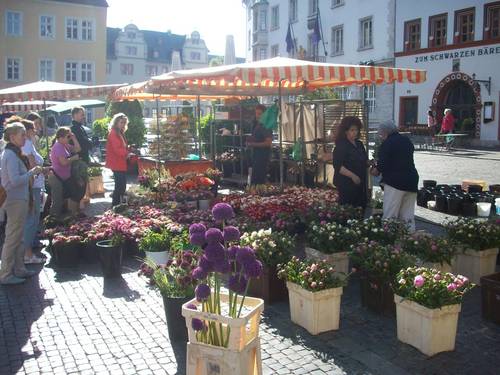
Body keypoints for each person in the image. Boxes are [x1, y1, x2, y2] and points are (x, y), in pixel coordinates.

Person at [0, 122, 44, 285]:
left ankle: (19, 269)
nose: (25, 138)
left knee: (17, 237)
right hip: (15, 200)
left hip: (18, 198)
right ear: (12, 137)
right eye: (22, 135)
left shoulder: (12, 153)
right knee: (13, 237)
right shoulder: (10, 155)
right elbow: (15, 180)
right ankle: (5, 274)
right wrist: (32, 172)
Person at [370, 121, 419, 231]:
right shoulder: (406, 140)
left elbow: (381, 167)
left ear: (385, 132)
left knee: (390, 214)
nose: (380, 136)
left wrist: (373, 170)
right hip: (411, 180)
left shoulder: (387, 144)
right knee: (408, 216)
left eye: (380, 134)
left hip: (395, 183)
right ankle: (409, 239)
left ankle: (388, 239)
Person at [320, 116, 369, 208]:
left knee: (361, 205)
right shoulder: (341, 145)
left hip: (360, 181)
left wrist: (370, 163)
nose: (355, 132)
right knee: (348, 207)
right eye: (352, 130)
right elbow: (338, 166)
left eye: (356, 130)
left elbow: (364, 159)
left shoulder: (359, 144)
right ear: (346, 131)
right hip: (346, 182)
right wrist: (353, 176)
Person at [20, 120, 46, 264]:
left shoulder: (28, 143)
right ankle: (27, 254)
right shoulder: (27, 144)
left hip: (34, 184)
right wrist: (43, 170)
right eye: (34, 128)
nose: (37, 130)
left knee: (32, 219)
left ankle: (26, 252)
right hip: (32, 186)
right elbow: (32, 166)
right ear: (28, 130)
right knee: (31, 219)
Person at [48, 127, 81, 217]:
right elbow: (63, 162)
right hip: (56, 177)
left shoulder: (64, 145)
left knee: (67, 197)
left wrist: (73, 138)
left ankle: (66, 218)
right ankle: (52, 222)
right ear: (61, 138)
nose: (69, 138)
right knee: (57, 201)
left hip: (64, 177)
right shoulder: (58, 146)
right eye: (68, 137)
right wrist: (74, 158)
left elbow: (78, 149)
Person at [105, 113, 129, 206]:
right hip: (116, 162)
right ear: (116, 122)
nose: (123, 124)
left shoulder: (119, 132)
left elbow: (121, 147)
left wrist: (129, 149)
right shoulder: (114, 133)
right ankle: (116, 206)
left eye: (124, 122)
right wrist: (127, 153)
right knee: (120, 186)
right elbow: (117, 149)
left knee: (121, 186)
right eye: (121, 122)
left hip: (119, 162)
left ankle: (120, 205)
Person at [247, 104, 272, 185]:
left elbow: (268, 143)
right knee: (255, 180)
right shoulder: (257, 124)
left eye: (259, 114)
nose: (257, 116)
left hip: (262, 157)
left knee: (259, 180)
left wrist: (253, 144)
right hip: (255, 156)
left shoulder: (265, 126)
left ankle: (259, 195)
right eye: (256, 113)